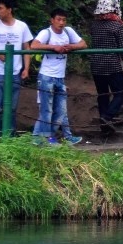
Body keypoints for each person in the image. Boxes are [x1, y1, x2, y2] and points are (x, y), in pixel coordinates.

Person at [29, 9, 88, 144]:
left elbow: (83, 44)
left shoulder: (68, 31)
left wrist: (71, 47)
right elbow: (34, 45)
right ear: (52, 20)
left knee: (60, 111)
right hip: (46, 76)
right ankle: (47, 139)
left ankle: (38, 139)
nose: (61, 23)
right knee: (47, 110)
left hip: (60, 77)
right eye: (58, 19)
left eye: (63, 20)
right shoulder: (46, 32)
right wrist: (53, 47)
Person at [0, 0, 35, 137]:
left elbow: (26, 48)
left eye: (0, 8)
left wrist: (26, 68)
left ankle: (9, 135)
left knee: (12, 106)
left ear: (9, 9)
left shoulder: (22, 26)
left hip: (15, 70)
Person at [86, 0, 123, 128]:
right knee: (120, 94)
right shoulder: (117, 26)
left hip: (96, 66)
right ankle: (107, 117)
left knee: (103, 95)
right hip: (112, 66)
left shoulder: (94, 25)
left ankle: (104, 125)